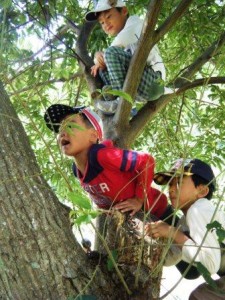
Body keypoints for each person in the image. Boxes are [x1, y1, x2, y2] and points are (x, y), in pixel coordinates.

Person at [44, 103, 173, 221]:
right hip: (137, 222)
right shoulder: (77, 171)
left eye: (71, 125)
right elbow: (101, 198)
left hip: (159, 211)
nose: (63, 133)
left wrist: (138, 199)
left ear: (93, 136)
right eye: (60, 129)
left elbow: (146, 160)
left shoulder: (102, 156)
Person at [145, 158, 225, 299]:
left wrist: (172, 232)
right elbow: (172, 257)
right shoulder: (186, 220)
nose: (171, 188)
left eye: (179, 182)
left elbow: (210, 265)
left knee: (200, 296)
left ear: (202, 191)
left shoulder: (199, 210)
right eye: (171, 183)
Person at [85, 0, 166, 115]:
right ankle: (117, 100)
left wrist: (98, 56)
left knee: (110, 54)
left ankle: (121, 102)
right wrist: (98, 58)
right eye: (102, 22)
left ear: (124, 11)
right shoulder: (123, 37)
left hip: (154, 81)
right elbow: (103, 60)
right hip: (138, 87)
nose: (106, 24)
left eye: (108, 16)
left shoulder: (135, 24)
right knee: (102, 69)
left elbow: (109, 53)